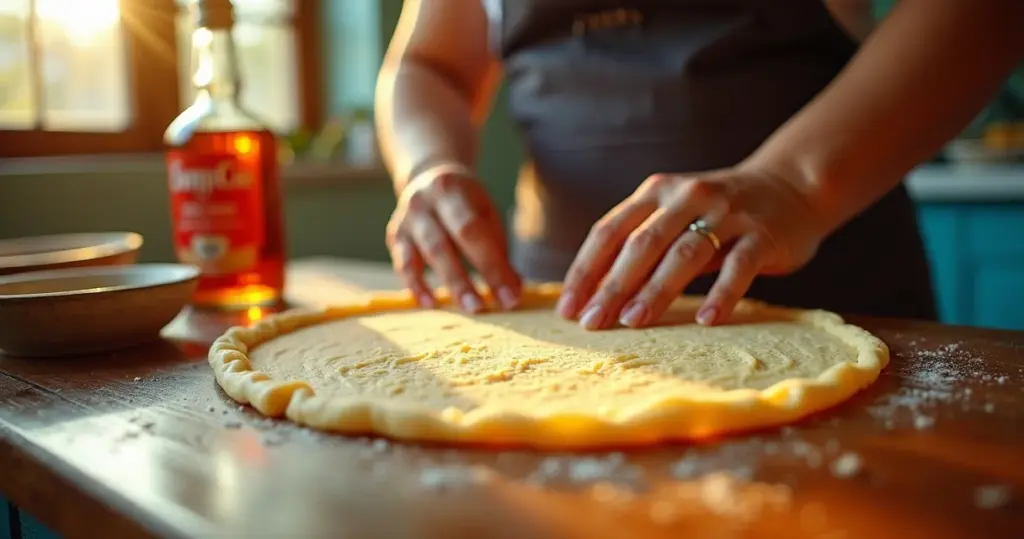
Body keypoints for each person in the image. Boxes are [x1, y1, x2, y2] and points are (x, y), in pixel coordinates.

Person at [375, 0, 1024, 330]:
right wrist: (427, 164)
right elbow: (430, 65)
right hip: (566, 313)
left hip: (833, 300)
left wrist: (789, 185)